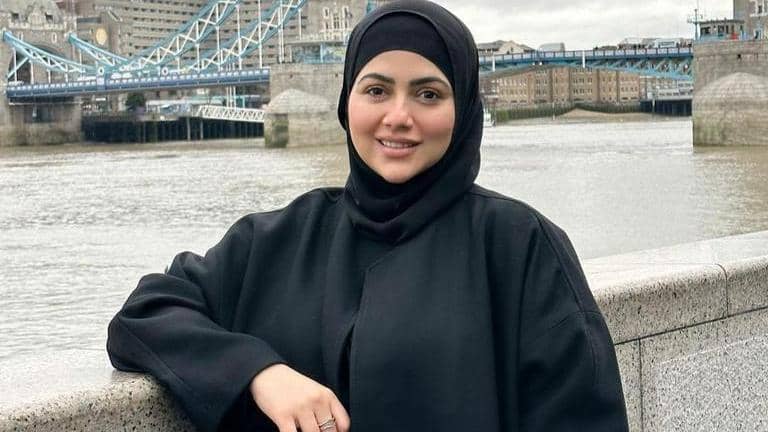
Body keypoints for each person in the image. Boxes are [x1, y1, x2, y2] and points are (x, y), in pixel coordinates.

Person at [107, 1, 630, 431]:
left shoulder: (520, 246)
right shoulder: (278, 237)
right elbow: (146, 313)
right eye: (376, 90)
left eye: (428, 94)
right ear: (346, 103)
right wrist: (258, 372)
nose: (397, 117)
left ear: (464, 108)